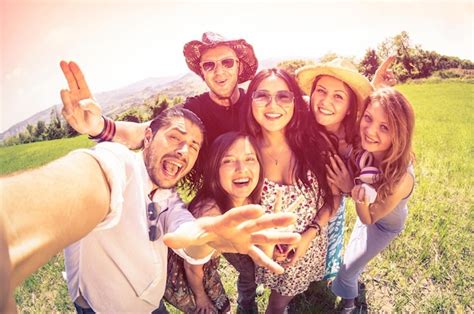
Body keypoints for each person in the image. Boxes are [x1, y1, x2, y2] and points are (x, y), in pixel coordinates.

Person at [0, 105, 302, 313]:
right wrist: (11, 228)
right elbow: (89, 181)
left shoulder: (169, 197)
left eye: (194, 146)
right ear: (147, 138)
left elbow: (186, 232)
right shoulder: (120, 166)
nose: (183, 151)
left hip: (153, 305)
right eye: (175, 137)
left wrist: (208, 235)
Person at [241, 68, 339, 314]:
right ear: (250, 101)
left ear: (296, 102)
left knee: (278, 303)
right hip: (266, 247)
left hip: (309, 243)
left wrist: (308, 236)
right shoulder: (243, 151)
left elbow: (334, 198)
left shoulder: (316, 143)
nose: (273, 104)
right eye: (262, 95)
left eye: (283, 96)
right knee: (273, 293)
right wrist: (266, 242)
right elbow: (237, 205)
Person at [60, 32, 258, 148]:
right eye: (209, 66)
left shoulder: (258, 105)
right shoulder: (193, 110)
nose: (219, 72)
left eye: (227, 62)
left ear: (239, 67)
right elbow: (143, 132)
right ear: (202, 73)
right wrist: (98, 126)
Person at [296, 58, 389, 281]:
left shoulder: (359, 138)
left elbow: (367, 184)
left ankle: (316, 275)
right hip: (302, 201)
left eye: (338, 96)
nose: (326, 101)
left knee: (325, 245)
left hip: (334, 204)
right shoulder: (299, 119)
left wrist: (349, 186)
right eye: (321, 91)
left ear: (350, 108)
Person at [329, 87, 415, 312]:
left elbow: (369, 218)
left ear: (400, 134)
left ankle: (349, 304)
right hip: (367, 208)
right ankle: (351, 285)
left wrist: (351, 188)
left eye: (384, 127)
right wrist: (344, 150)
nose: (370, 131)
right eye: (368, 118)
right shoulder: (368, 150)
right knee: (352, 256)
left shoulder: (401, 178)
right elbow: (355, 155)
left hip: (384, 225)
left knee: (347, 269)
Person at [164, 132, 263, 313]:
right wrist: (200, 297)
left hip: (206, 266)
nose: (241, 168)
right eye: (228, 161)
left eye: (250, 158)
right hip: (183, 273)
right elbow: (192, 267)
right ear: (214, 169)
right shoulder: (209, 213)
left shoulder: (246, 196)